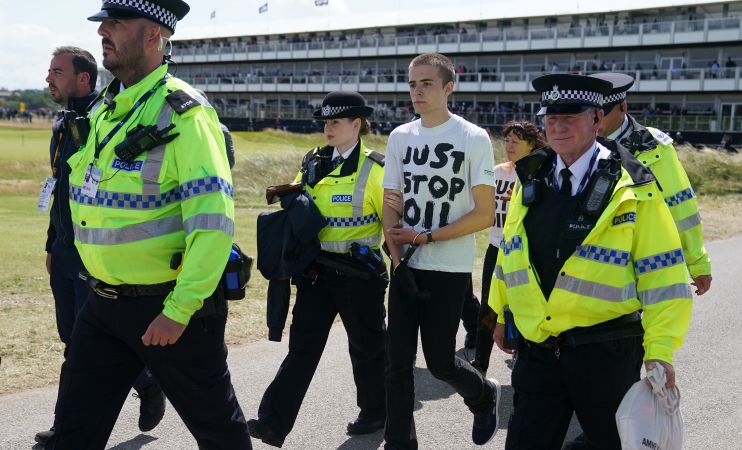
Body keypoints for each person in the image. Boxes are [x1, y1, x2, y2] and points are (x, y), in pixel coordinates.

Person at [46, 1, 251, 449]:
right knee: (72, 432)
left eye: (117, 24)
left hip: (167, 309)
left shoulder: (186, 115)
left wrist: (178, 312)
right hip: (100, 303)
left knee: (219, 432)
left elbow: (213, 223)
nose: (105, 32)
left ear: (154, 35)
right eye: (104, 24)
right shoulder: (105, 109)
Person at [489, 73, 693, 450]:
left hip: (607, 351)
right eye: (551, 119)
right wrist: (502, 314)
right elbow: (511, 251)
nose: (558, 127)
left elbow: (663, 275)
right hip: (538, 349)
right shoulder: (530, 176)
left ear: (597, 119)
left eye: (570, 117)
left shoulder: (634, 185)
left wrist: (660, 351)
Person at [36, 46, 166, 446]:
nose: (48, 78)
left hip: (95, 252)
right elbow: (62, 190)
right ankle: (146, 381)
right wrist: (52, 242)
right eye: (48, 70)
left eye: (57, 71)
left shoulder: (102, 120)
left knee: (84, 345)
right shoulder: (64, 124)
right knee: (70, 340)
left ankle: (67, 427)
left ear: (84, 79)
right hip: (65, 250)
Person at [247, 91, 388, 447]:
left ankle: (375, 413)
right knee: (302, 350)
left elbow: (392, 224)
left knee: (367, 349)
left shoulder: (376, 168)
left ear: (357, 125)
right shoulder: (312, 160)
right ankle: (272, 424)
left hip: (360, 275)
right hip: (316, 272)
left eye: (335, 121)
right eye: (325, 121)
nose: (328, 128)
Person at [382, 52, 501, 449]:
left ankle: (483, 396)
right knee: (396, 364)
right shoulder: (400, 137)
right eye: (412, 84)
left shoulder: (472, 138)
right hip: (406, 266)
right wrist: (399, 257)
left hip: (448, 268)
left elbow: (484, 214)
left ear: (449, 88)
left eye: (426, 83)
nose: (416, 91)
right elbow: (391, 202)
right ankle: (401, 442)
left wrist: (426, 238)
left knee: (438, 362)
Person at [592, 72, 711, 295]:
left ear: (622, 106)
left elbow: (681, 205)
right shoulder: (576, 146)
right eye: (590, 113)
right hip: (594, 265)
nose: (595, 120)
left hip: (642, 259)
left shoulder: (654, 146)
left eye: (602, 113)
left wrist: (697, 263)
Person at [471, 121, 545, 375]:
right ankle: (480, 362)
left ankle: (526, 357)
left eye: (516, 141)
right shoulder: (496, 172)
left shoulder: (539, 172)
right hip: (495, 247)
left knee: (523, 304)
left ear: (532, 144)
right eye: (507, 141)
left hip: (524, 252)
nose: (509, 146)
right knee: (488, 307)